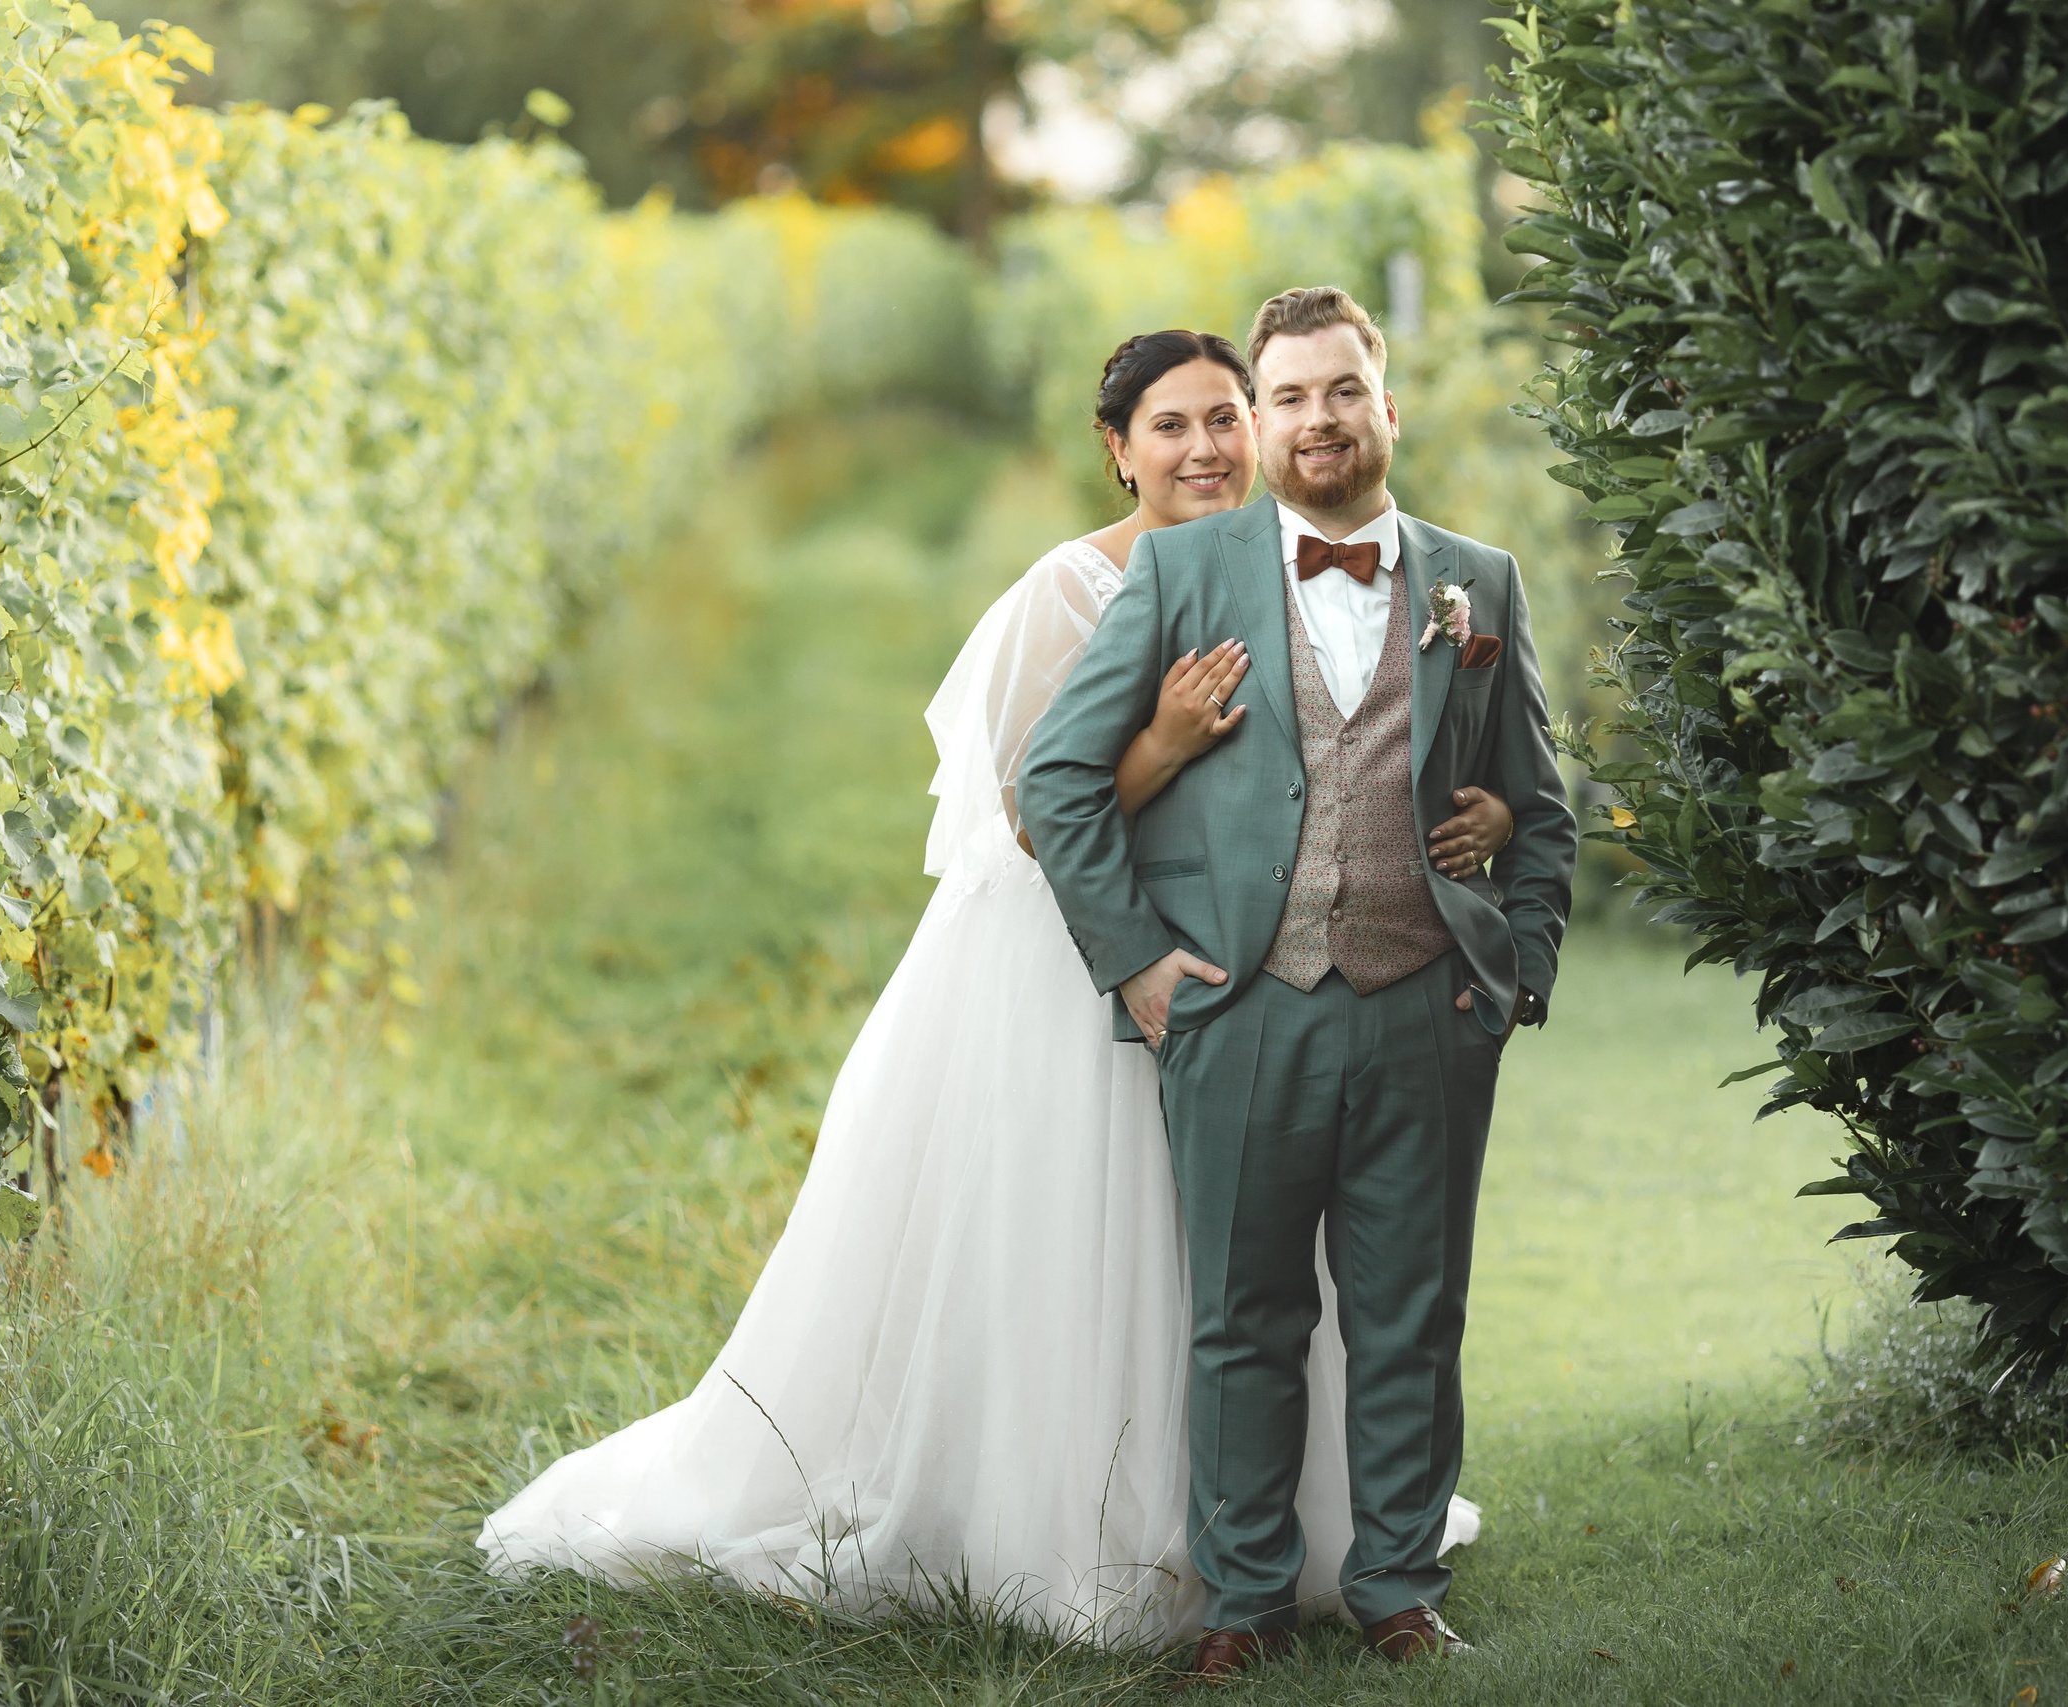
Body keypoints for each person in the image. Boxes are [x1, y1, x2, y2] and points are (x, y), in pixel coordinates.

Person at [476, 328, 1518, 1648]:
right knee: (1094, 1239)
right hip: (1077, 950)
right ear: (1117, 450)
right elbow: (1039, 806)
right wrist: (1169, 741)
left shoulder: (1296, 572)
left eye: (1221, 419)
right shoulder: (1069, 590)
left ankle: (1287, 1538)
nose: (1203, 448)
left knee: (1254, 1266)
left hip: (1259, 966)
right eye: (1169, 427)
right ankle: (1078, 1525)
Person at [1020, 287, 1577, 1683]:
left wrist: (1519, 970)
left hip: (1427, 1008)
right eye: (1288, 397)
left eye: (1342, 391)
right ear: (1260, 423)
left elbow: (1541, 804)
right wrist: (1141, 965)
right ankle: (1244, 1602)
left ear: (1387, 408)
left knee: (1410, 1312)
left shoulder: (1478, 582)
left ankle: (1398, 1586)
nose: (1317, 419)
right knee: (1242, 1320)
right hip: (1241, 1008)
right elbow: (1056, 781)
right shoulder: (1183, 575)